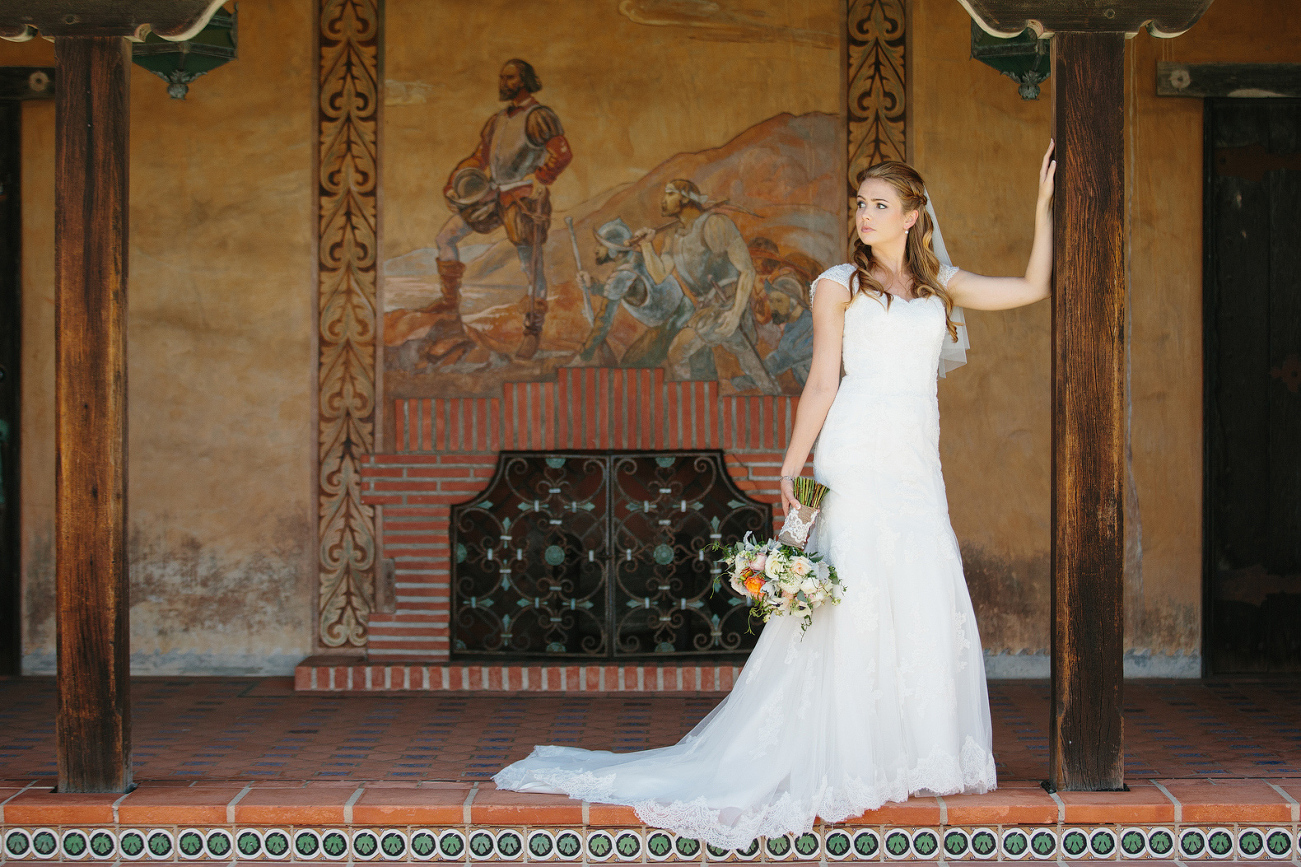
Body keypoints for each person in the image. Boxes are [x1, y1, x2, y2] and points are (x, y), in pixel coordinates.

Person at [493, 144, 1057, 848]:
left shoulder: (939, 285)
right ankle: (851, 750)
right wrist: (795, 465)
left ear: (913, 217)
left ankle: (914, 748)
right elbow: (822, 379)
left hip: (916, 457)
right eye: (861, 203)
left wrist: (1041, 207)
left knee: (917, 577)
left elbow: (1034, 286)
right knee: (855, 587)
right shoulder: (836, 284)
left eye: (881, 205)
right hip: (853, 449)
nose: (866, 214)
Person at [433, 59, 573, 360]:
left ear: (523, 81)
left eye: (509, 77)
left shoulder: (539, 116)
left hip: (523, 197)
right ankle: (450, 313)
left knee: (530, 263)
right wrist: (455, 184)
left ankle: (532, 331)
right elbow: (479, 157)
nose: (503, 82)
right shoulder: (498, 120)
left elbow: (561, 153)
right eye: (502, 77)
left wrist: (541, 179)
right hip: (492, 194)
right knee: (445, 237)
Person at [634, 180, 780, 393]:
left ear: (684, 198)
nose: (663, 201)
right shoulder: (673, 237)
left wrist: (735, 313)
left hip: (728, 305)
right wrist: (646, 245)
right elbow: (658, 274)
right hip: (705, 310)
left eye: (669, 195)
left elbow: (747, 271)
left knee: (682, 352)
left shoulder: (715, 224)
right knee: (750, 365)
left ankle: (772, 398)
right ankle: (692, 401)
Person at [575, 217, 695, 367]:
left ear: (614, 250)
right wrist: (592, 286)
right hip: (685, 310)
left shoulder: (622, 276)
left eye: (601, 245)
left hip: (675, 324)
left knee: (629, 370)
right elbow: (625, 290)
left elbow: (604, 321)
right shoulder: (638, 258)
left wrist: (585, 354)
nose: (596, 249)